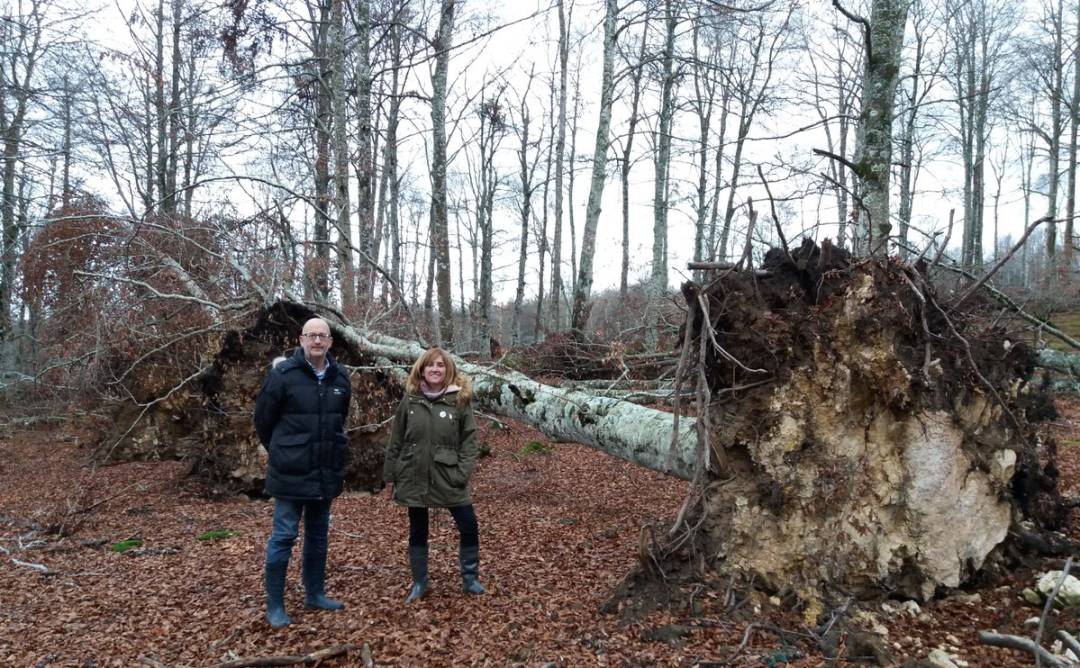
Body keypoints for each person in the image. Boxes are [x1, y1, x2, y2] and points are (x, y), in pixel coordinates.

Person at [253, 317, 352, 628]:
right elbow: (263, 422)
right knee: (283, 537)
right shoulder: (282, 375)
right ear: (301, 340)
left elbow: (339, 420)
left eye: (323, 336)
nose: (317, 341)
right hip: (290, 473)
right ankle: (276, 605)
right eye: (311, 335)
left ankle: (315, 593)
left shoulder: (340, 378)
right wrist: (285, 451)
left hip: (325, 471)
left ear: (331, 342)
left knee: (318, 536)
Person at [384, 347, 487, 602]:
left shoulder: (459, 400)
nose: (436, 369)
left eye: (441, 365)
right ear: (422, 368)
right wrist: (391, 474)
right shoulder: (410, 400)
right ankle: (420, 583)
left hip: (449, 475)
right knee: (417, 529)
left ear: (448, 369)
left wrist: (461, 473)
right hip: (413, 473)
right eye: (431, 365)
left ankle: (470, 579)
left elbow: (469, 441)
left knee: (468, 524)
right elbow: (396, 438)